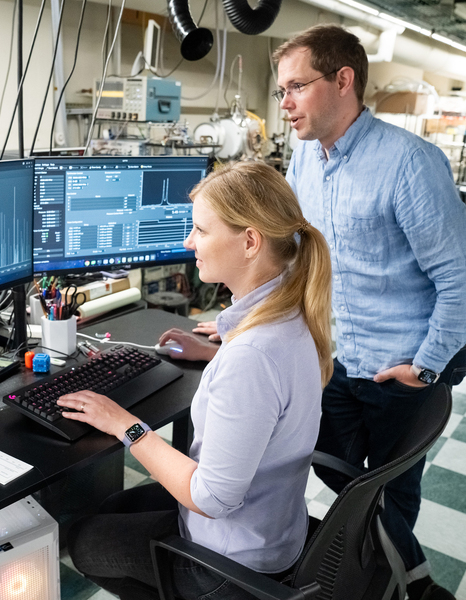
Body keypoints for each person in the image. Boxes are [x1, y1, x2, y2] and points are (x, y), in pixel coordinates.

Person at [272, 24, 466, 600]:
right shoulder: (304, 162)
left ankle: (398, 586)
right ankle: (388, 572)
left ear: (343, 80)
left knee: (388, 493)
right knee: (336, 473)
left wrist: (427, 364)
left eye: (296, 87)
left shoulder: (409, 163)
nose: (286, 103)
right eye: (281, 91)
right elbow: (299, 260)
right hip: (336, 361)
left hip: (400, 373)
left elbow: (463, 282)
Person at [59, 161, 333, 600]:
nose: (190, 243)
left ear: (249, 241)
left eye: (201, 231)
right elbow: (264, 379)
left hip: (232, 565)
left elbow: (211, 499)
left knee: (85, 542)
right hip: (276, 529)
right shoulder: (291, 313)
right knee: (113, 508)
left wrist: (123, 424)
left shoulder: (251, 357)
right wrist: (216, 353)